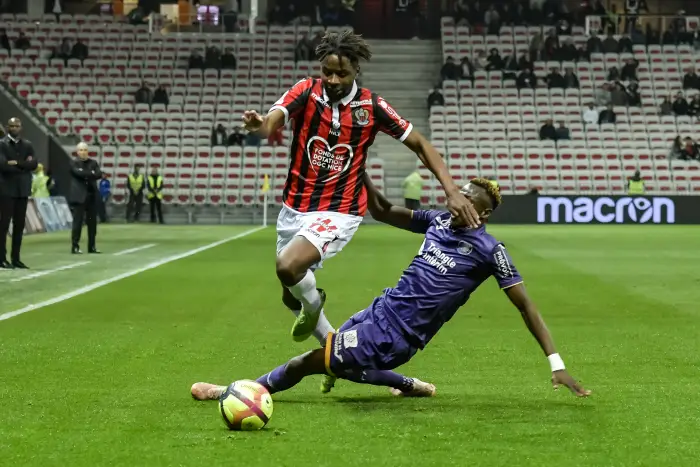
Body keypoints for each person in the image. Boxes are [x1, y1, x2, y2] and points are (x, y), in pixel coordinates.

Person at [191, 177, 591, 402]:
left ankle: (234, 393)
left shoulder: (490, 251)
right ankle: (404, 383)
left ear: (482, 213)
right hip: (380, 309)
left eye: (467, 199)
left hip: (399, 334)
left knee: (308, 362)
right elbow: (382, 211)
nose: (457, 200)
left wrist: (557, 364)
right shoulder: (436, 221)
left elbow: (526, 306)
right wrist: (357, 165)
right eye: (459, 193)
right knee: (342, 359)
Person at [241, 30, 477, 394]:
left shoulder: (372, 107)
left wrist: (451, 190)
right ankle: (350, 358)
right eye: (327, 72)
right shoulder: (306, 91)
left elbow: (420, 143)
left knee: (288, 267)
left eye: (342, 74)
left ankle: (314, 302)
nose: (333, 80)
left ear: (355, 72)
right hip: (294, 208)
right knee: (291, 293)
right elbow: (276, 116)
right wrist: (262, 127)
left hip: (340, 209)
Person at [0, 117, 37, 269]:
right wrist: (24, 165)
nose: (14, 128)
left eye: (17, 125)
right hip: (6, 190)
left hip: (22, 190)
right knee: (3, 225)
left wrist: (16, 163)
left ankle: (16, 258)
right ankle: (1, 258)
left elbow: (34, 164)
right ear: (8, 127)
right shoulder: (1, 144)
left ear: (21, 127)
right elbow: (3, 166)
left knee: (19, 225)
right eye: (12, 126)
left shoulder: (27, 144)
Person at [68, 142, 102, 254]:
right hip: (79, 196)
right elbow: (78, 173)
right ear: (77, 152)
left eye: (85, 150)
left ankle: (92, 246)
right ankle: (75, 246)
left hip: (91, 195)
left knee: (92, 224)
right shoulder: (73, 162)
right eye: (81, 150)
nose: (83, 152)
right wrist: (90, 173)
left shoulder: (93, 162)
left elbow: (99, 174)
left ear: (88, 151)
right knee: (77, 223)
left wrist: (87, 173)